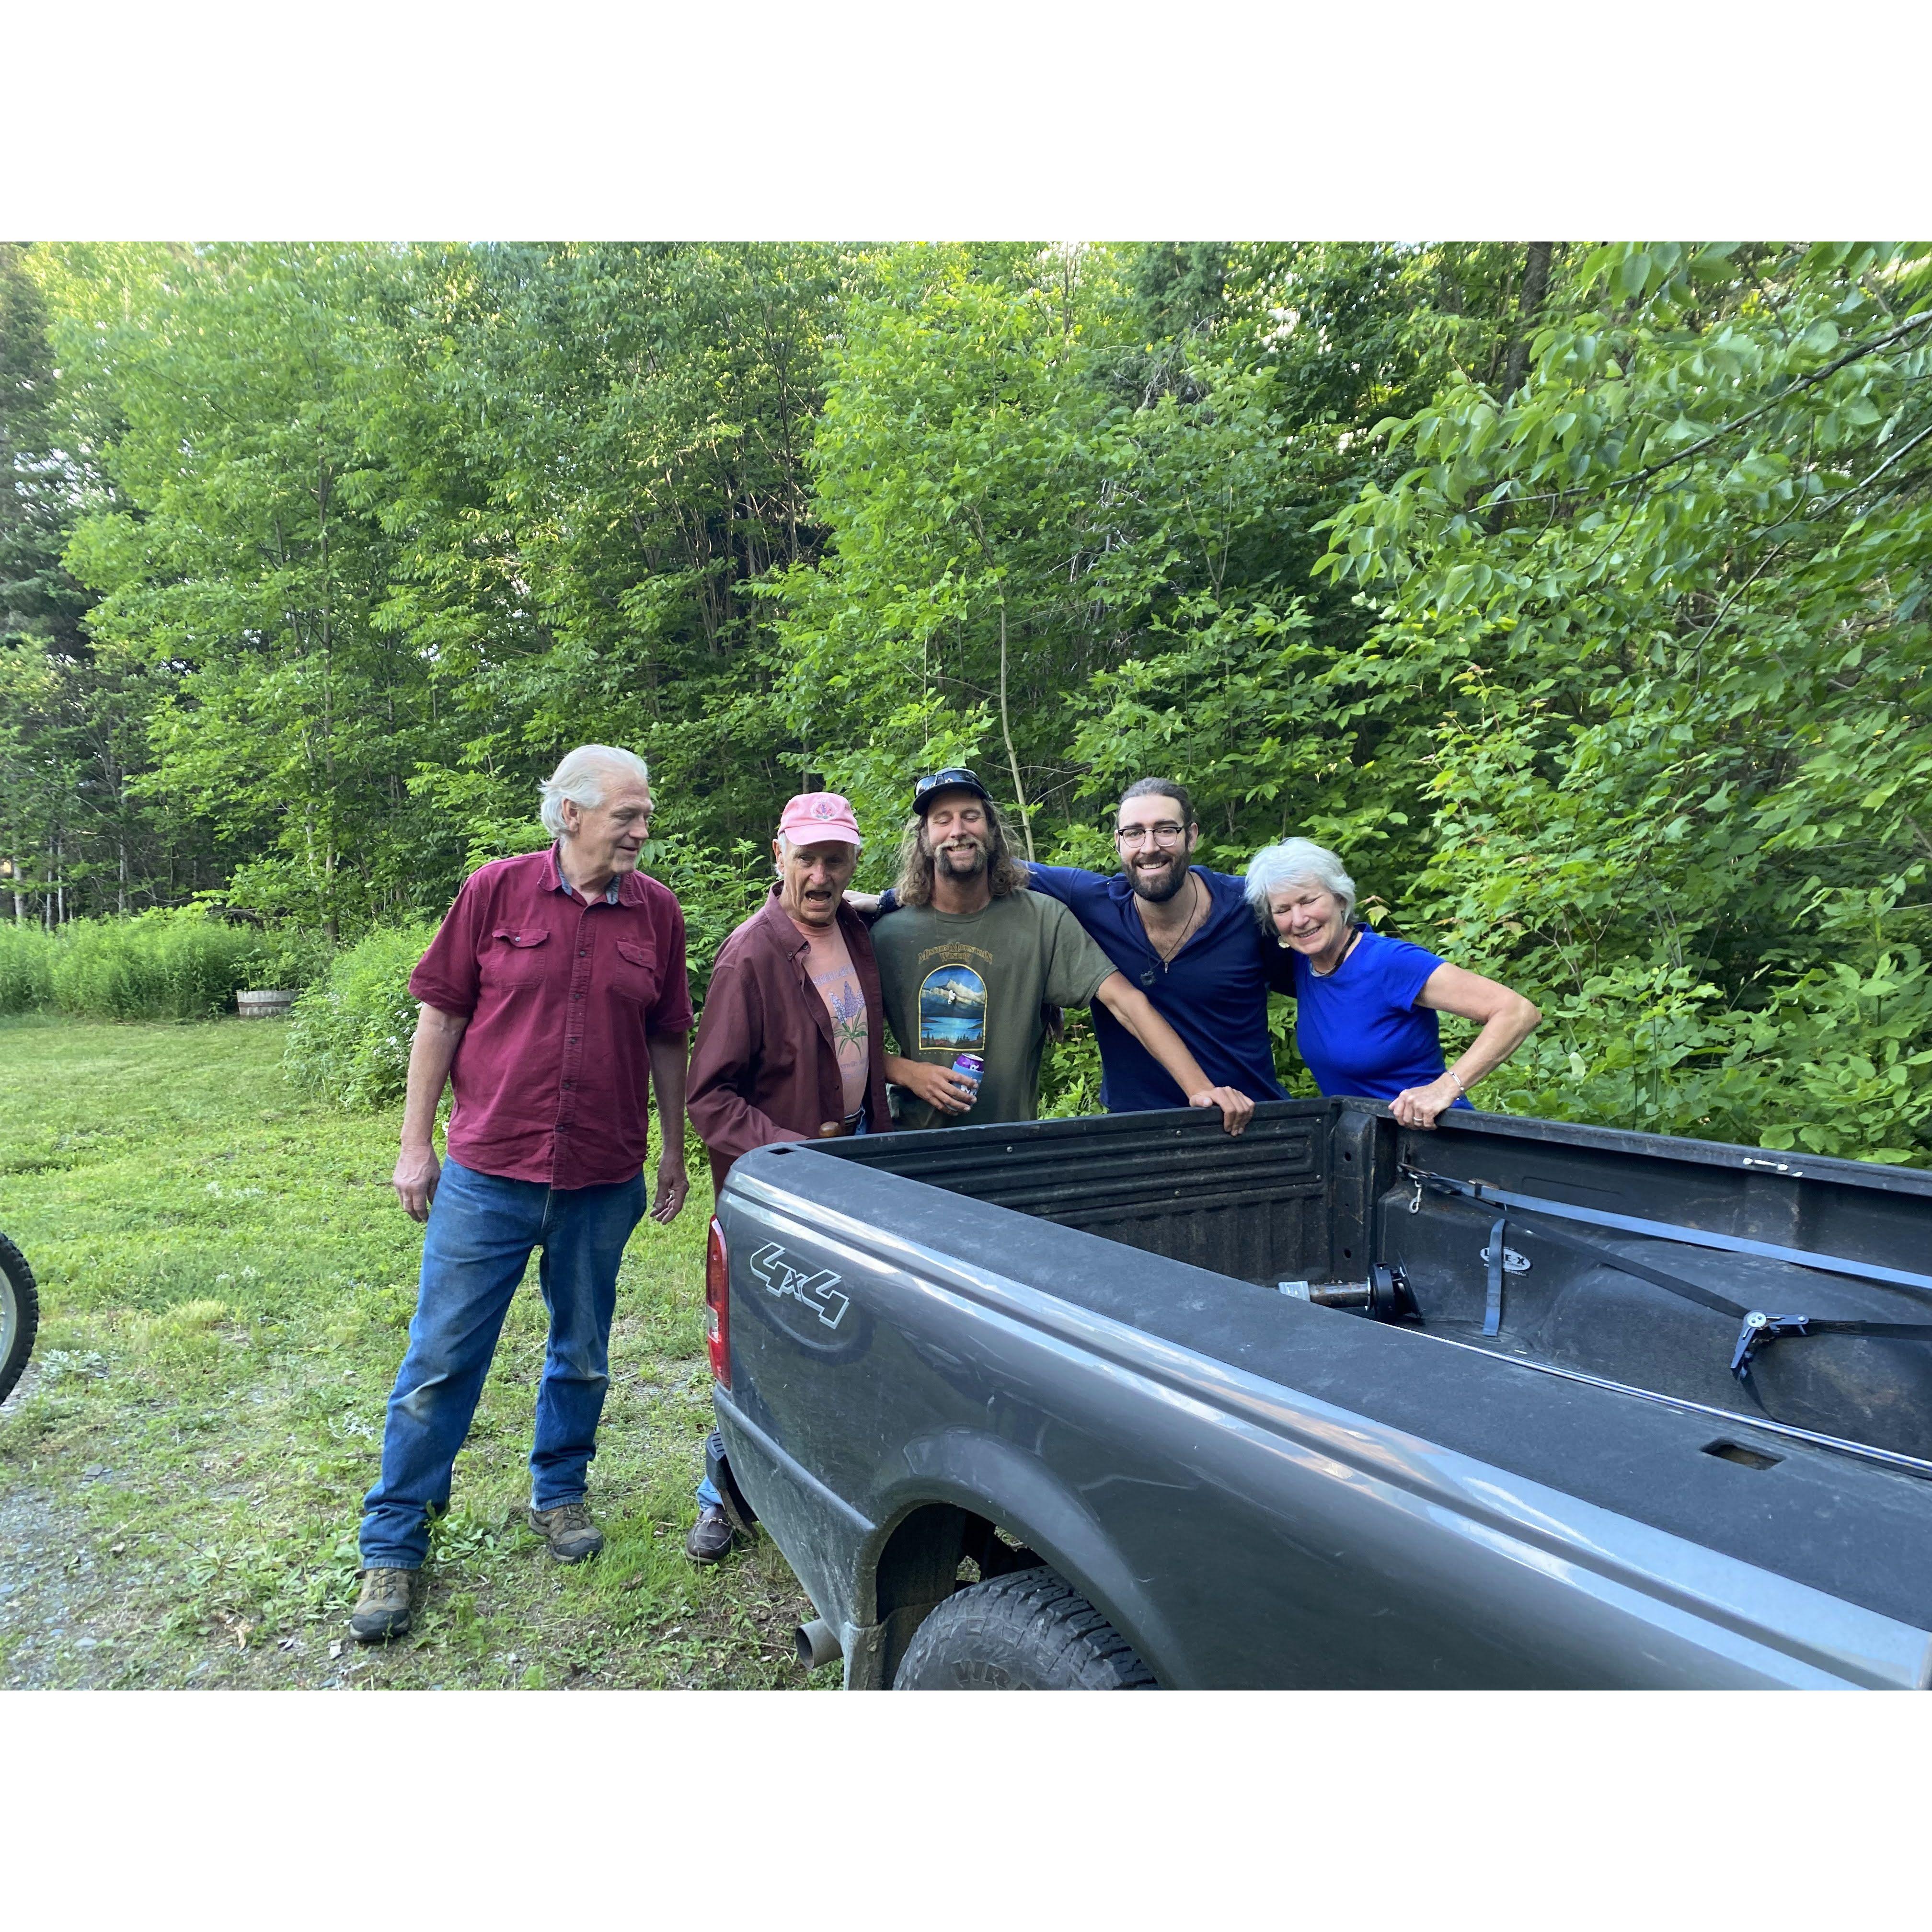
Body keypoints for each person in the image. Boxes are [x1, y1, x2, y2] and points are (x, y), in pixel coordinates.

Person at [350, 745, 692, 1644]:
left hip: (602, 1175)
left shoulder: (656, 912)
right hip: (489, 1173)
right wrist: (413, 1144)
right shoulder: (495, 891)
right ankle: (394, 1543)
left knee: (582, 1350)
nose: (642, 831)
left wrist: (672, 1151)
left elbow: (668, 1039)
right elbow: (441, 1016)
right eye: (627, 814)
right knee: (439, 1363)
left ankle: (561, 1493)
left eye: (645, 814)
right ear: (571, 813)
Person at [683, 791, 892, 1564]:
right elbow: (709, 1098)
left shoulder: (856, 933)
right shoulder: (750, 955)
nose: (821, 874)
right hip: (784, 1178)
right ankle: (719, 1493)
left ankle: (826, 1481)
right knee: (759, 1338)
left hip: (858, 1158)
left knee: (837, 1331)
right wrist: (790, 1154)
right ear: (778, 856)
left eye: (835, 858)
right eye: (806, 857)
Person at [870, 768, 1255, 1135]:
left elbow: (1127, 1003)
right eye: (942, 820)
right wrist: (907, 1072)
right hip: (907, 1143)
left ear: (991, 830)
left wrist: (1201, 1089)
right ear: (923, 837)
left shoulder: (1041, 920)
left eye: (971, 816)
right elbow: (842, 1047)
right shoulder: (886, 934)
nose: (958, 830)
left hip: (1008, 1146)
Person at [1247, 837, 1540, 1128]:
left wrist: (1444, 1088)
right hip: (1366, 1150)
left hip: (1435, 1144)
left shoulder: (1390, 963)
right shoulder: (1305, 966)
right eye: (1283, 910)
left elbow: (1517, 1011)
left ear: (1340, 898)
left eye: (1309, 900)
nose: (1299, 919)